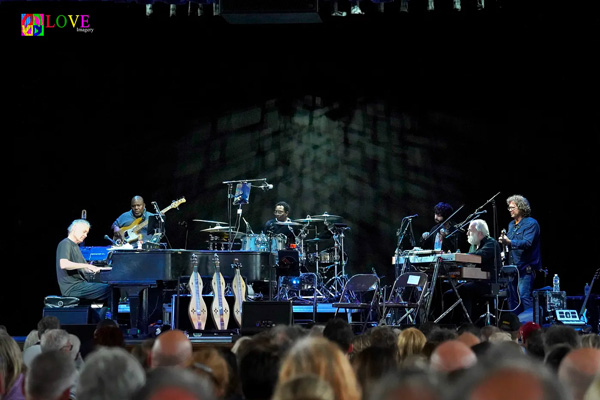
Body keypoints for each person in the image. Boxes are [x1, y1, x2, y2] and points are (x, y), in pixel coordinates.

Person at [498, 194, 542, 315]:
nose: (510, 210)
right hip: (512, 268)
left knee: (524, 296)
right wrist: (504, 244)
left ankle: (530, 327)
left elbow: (527, 243)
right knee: (512, 299)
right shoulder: (511, 225)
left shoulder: (531, 223)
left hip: (525, 268)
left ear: (521, 208)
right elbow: (510, 245)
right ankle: (515, 327)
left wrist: (509, 241)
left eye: (513, 207)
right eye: (509, 208)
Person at [453, 219, 503, 323]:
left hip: (492, 284)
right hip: (478, 282)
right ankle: (453, 323)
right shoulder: (475, 246)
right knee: (451, 292)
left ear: (479, 233)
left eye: (470, 231)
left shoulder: (491, 243)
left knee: (462, 290)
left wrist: (460, 257)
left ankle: (467, 323)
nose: (467, 233)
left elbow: (479, 256)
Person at [56, 219, 112, 310]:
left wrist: (100, 269)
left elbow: (83, 268)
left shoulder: (75, 246)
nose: (85, 235)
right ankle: (109, 319)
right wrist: (86, 265)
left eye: (87, 233)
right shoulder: (65, 243)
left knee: (110, 286)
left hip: (81, 285)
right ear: (75, 228)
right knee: (110, 290)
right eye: (84, 232)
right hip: (73, 288)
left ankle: (101, 317)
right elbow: (64, 264)